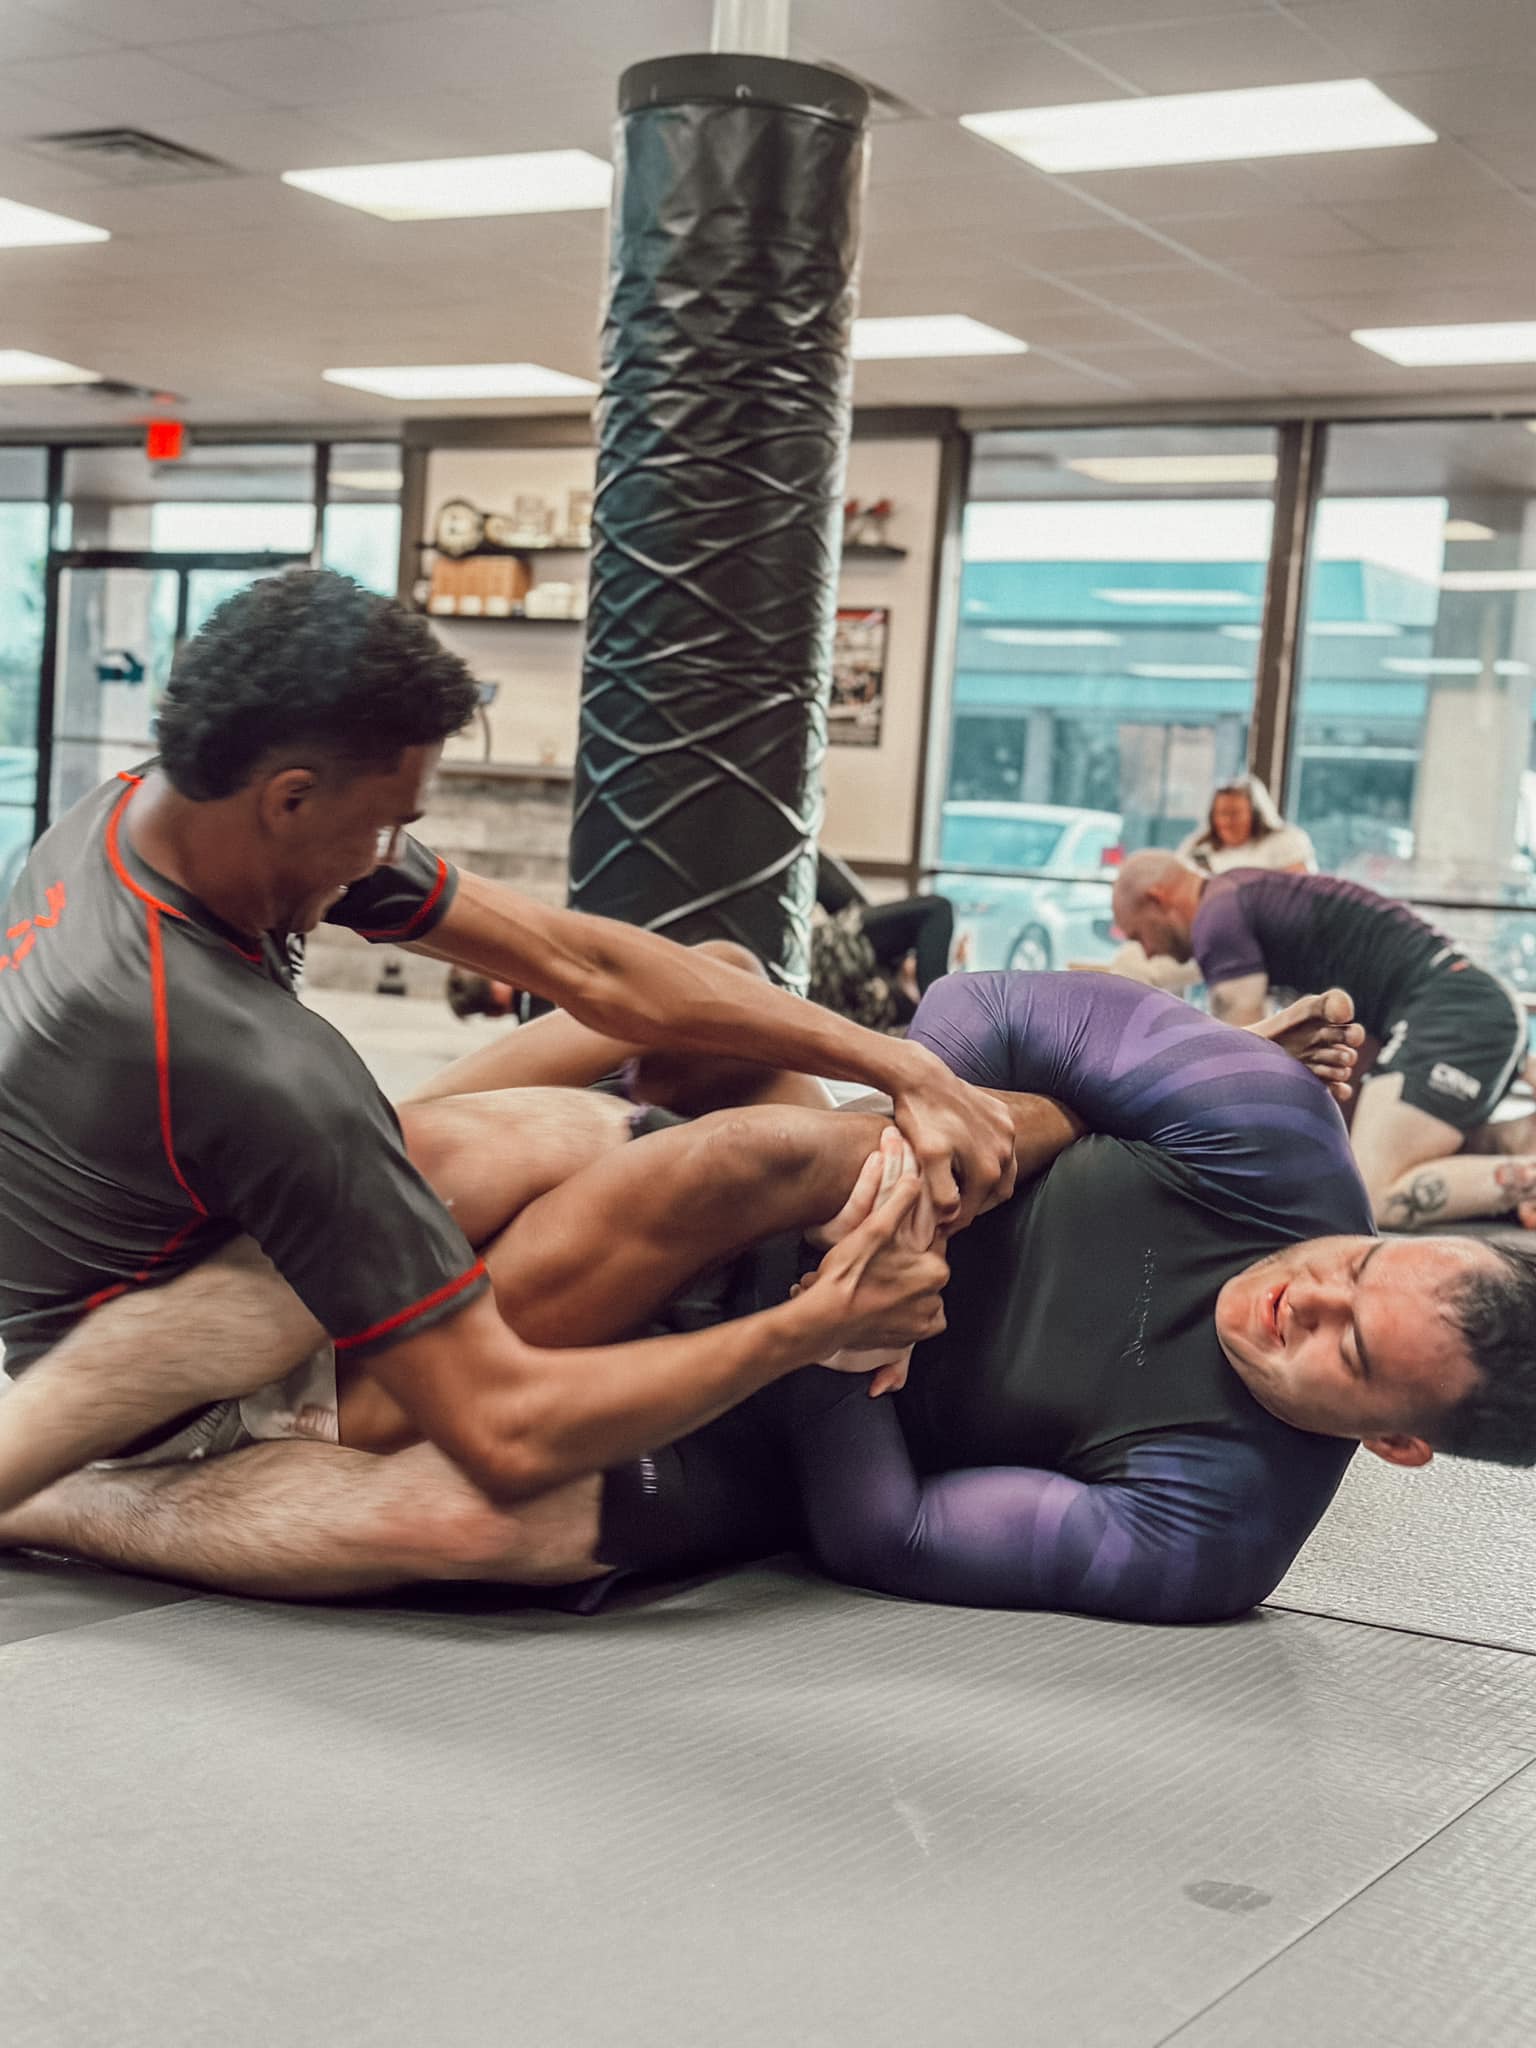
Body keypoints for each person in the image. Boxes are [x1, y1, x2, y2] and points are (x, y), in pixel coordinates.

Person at [22, 969, 1524, 1632]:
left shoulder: (1218, 1530)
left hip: (785, 1435)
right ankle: (123, 1370)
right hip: (806, 1189)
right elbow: (972, 1019)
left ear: (1392, 1445)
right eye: (1360, 1267)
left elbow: (894, 1535)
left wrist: (838, 1331)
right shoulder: (1264, 1130)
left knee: (478, 1523)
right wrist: (946, 1158)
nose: (1304, 1301)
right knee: (574, 1147)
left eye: (1344, 1350)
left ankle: (67, 1497)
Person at [0, 569, 1012, 1518]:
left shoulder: (150, 803)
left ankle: (845, 1194)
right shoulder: (245, 1055)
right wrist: (809, 1327)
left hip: (191, 1222)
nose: (390, 854)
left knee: (724, 976)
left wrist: (899, 1059)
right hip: (177, 1390)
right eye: (384, 826)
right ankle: (1033, 1127)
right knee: (736, 1165)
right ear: (291, 797)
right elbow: (502, 1429)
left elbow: (592, 970)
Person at [1110, 852, 1535, 1232]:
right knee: (1366, 1147)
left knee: (1373, 1190)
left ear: (1158, 898)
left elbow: (1238, 1067)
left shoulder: (1216, 918)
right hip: (1468, 1005)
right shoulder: (1239, 893)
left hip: (1452, 1011)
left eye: (1136, 935)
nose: (1146, 954)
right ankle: (1519, 1141)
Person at [1177, 774, 1317, 875]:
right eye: (1221, 813)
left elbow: (1302, 889)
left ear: (1256, 815)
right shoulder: (1196, 847)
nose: (1226, 821)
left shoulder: (1286, 841)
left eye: (1235, 813)